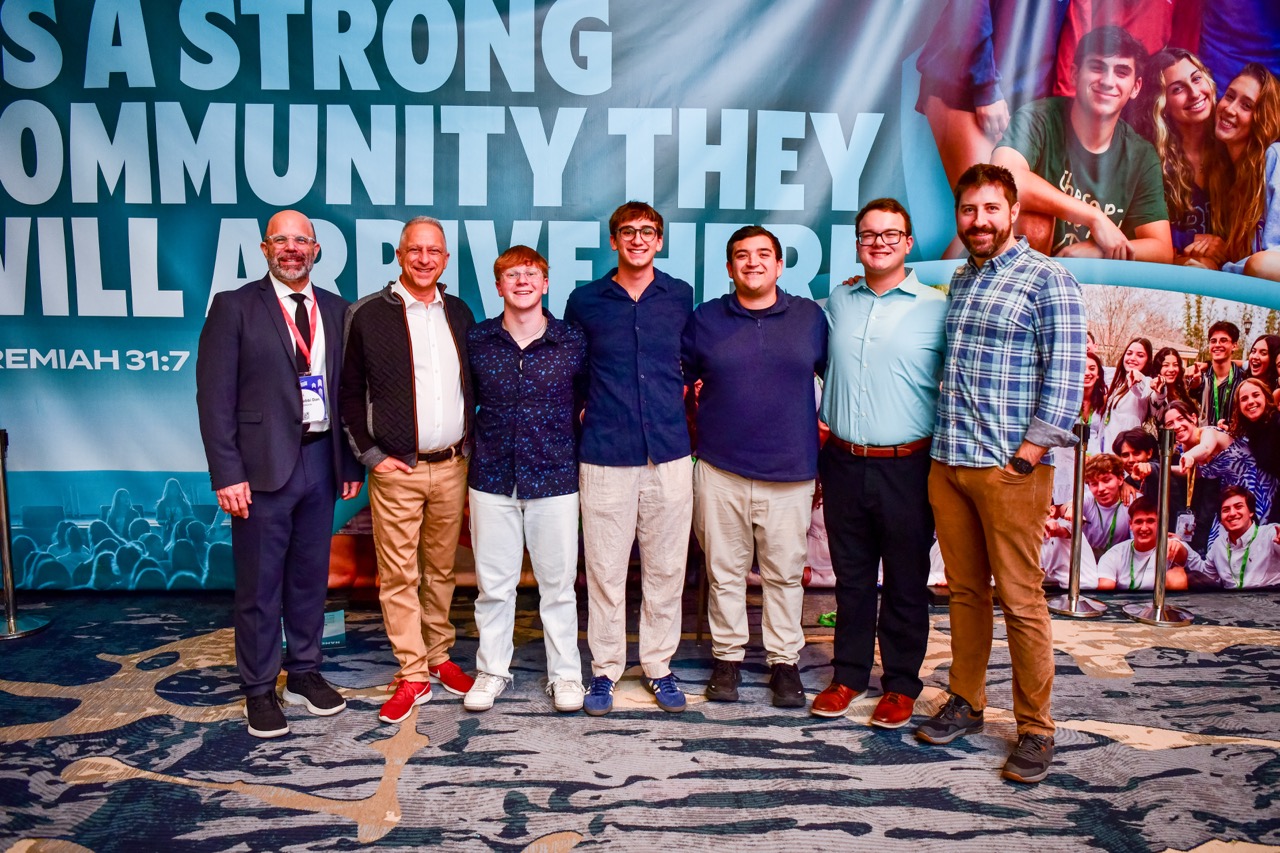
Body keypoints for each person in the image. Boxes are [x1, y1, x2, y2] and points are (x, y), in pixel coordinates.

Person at [916, 164, 1086, 785]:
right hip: (950, 463)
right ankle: (967, 698)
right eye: (968, 211)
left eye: (991, 209)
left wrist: (1026, 459)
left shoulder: (1048, 279)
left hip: (1009, 470)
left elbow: (1065, 382)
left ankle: (1036, 729)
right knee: (964, 593)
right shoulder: (961, 279)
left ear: (1012, 212)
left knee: (1020, 599)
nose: (979, 221)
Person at [196, 209, 364, 738]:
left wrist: (351, 461)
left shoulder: (339, 310)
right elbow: (214, 398)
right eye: (281, 240)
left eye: (302, 241)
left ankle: (305, 672)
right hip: (260, 467)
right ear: (265, 249)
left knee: (311, 577)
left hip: (320, 460)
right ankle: (259, 687)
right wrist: (227, 473)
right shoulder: (234, 307)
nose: (292, 249)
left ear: (316, 250)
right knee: (260, 584)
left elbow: (350, 395)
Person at [810, 198, 946, 728]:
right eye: (869, 235)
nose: (880, 242)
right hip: (843, 461)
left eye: (892, 234)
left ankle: (900, 685)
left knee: (907, 580)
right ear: (858, 244)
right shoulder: (838, 301)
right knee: (852, 579)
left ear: (908, 244)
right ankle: (847, 676)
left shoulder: (936, 307)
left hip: (909, 466)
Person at [340, 216, 477, 724]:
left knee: (442, 570)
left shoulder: (459, 312)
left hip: (452, 465)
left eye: (434, 251)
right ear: (399, 255)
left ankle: (440, 655)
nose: (424, 259)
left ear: (445, 259)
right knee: (399, 574)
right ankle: (413, 671)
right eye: (414, 250)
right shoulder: (368, 314)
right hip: (397, 469)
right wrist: (372, 456)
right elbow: (348, 393)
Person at [682, 226, 827, 709]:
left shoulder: (809, 318)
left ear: (780, 266)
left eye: (763, 254)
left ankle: (783, 662)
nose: (753, 262)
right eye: (742, 256)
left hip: (791, 470)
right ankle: (727, 659)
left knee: (784, 574)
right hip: (721, 469)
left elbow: (841, 381)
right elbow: (674, 383)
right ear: (729, 268)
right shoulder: (706, 319)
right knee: (724, 572)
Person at [563, 202, 694, 716]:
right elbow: (571, 368)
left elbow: (694, 361)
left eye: (648, 232)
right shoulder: (586, 300)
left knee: (666, 568)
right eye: (627, 232)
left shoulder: (679, 296)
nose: (638, 239)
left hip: (669, 452)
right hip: (604, 453)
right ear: (613, 240)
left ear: (659, 241)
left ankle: (659, 666)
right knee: (604, 569)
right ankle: (605, 669)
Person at [462, 246, 588, 714]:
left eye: (530, 274)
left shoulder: (572, 340)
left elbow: (586, 398)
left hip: (555, 476)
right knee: (494, 586)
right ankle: (492, 670)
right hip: (491, 478)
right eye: (511, 275)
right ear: (498, 286)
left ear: (545, 283)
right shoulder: (477, 340)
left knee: (558, 587)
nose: (521, 281)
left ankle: (566, 676)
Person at [993, 26, 1172, 263]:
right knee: (1035, 224)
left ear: (1136, 87)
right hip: (1015, 266)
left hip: (1088, 284)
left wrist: (1099, 250)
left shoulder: (1140, 154)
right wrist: (1094, 218)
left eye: (1121, 72)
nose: (1108, 81)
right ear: (1075, 75)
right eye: (1097, 67)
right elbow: (1001, 177)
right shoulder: (1039, 118)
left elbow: (1161, 250)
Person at [1128, 49, 1221, 259]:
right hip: (1172, 269)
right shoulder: (1149, 157)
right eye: (1178, 89)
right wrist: (1186, 241)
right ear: (1162, 103)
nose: (1195, 93)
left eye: (1197, 79)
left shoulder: (1231, 144)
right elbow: (1131, 227)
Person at [1193, 64, 1280, 280]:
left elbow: (1271, 257)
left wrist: (1223, 270)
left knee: (1260, 265)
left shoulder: (1274, 157)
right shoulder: (1226, 175)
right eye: (1229, 96)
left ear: (1262, 118)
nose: (1230, 109)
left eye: (1246, 105)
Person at [1178, 377, 1280, 540]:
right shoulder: (1250, 429)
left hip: (1268, 499)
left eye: (1255, 395)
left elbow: (1205, 448)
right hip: (1246, 499)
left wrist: (1190, 455)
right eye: (1244, 399)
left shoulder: (1276, 423)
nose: (1251, 401)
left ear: (1267, 398)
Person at [1094, 495, 1198, 591]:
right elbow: (1105, 590)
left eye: (1150, 521)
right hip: (1124, 608)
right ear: (1131, 524)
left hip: (1161, 608)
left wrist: (1178, 547)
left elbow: (1182, 555)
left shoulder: (1172, 545)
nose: (1144, 528)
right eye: (1139, 522)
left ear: (1160, 523)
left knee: (1176, 577)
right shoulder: (1114, 554)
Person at [1204, 486, 1280, 589]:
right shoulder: (1218, 545)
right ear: (1221, 520)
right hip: (1232, 603)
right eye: (1226, 510)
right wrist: (1182, 547)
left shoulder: (1269, 533)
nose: (1232, 513)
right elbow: (1204, 575)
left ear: (1251, 512)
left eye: (1238, 507)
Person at [1099, 336, 1156, 453]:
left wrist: (1136, 378)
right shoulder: (1117, 381)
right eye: (1129, 353)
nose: (1132, 358)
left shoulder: (1147, 382)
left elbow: (1140, 392)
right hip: (1106, 447)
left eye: (1140, 355)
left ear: (1148, 360)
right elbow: (1095, 369)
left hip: (1127, 448)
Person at [1186, 321, 1246, 427]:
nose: (1217, 345)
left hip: (1233, 441)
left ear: (1234, 345)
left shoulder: (1243, 381)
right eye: (1213, 341)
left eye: (1223, 340)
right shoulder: (1201, 378)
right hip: (1204, 441)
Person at [1079, 454, 1132, 558]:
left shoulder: (1132, 500)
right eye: (1094, 483)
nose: (1101, 488)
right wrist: (1070, 509)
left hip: (1121, 562)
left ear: (1121, 479)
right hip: (1089, 562)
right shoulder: (1088, 499)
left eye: (1106, 480)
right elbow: (1066, 507)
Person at [1145, 346, 1196, 425]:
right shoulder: (1154, 393)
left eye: (1175, 365)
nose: (1171, 369)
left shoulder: (1183, 392)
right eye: (1166, 365)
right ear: (1158, 368)